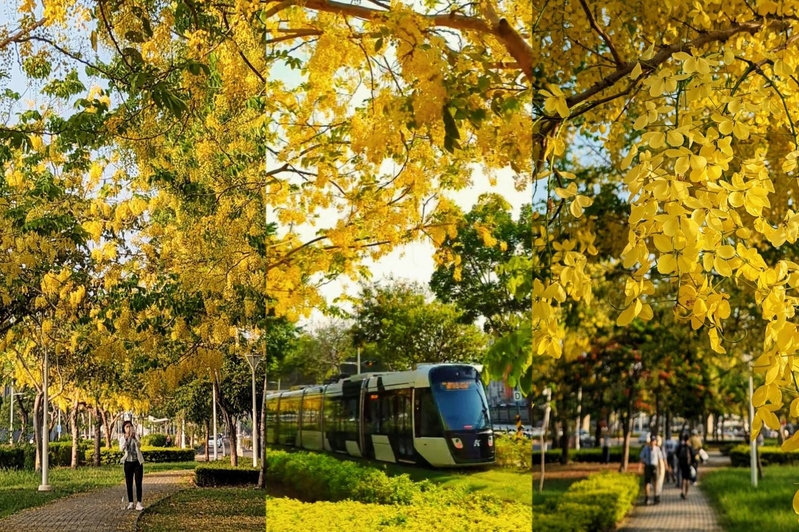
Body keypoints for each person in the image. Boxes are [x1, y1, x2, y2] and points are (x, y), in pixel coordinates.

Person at [119, 418, 145, 510]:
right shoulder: (122, 438)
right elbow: (121, 449)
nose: (129, 428)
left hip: (137, 462)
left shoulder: (136, 435)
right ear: (124, 429)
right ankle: (131, 502)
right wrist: (126, 440)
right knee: (129, 483)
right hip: (128, 463)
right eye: (127, 427)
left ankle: (139, 502)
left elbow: (139, 445)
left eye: (130, 426)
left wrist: (134, 438)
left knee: (138, 483)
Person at [638, 434, 666, 505]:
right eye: (651, 441)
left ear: (655, 442)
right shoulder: (645, 448)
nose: (652, 442)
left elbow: (660, 459)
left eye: (654, 441)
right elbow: (641, 457)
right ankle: (647, 497)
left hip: (654, 466)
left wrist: (660, 468)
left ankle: (655, 496)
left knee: (655, 482)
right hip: (648, 466)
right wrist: (640, 467)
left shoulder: (657, 449)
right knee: (647, 482)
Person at [676, 433, 698, 500]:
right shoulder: (690, 447)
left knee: (683, 478)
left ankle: (682, 492)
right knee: (687, 479)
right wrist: (693, 463)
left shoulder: (681, 446)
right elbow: (693, 455)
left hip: (682, 464)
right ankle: (686, 493)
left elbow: (677, 453)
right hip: (688, 464)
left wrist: (680, 460)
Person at [655, 435, 671, 501]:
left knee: (658, 480)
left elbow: (664, 458)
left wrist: (666, 466)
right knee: (658, 480)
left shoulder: (658, 448)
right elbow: (664, 458)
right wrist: (666, 465)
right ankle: (657, 494)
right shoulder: (660, 448)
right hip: (658, 465)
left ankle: (657, 494)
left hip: (659, 465)